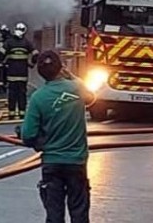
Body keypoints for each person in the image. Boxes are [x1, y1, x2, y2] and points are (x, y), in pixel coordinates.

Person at [19, 50, 94, 223]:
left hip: (52, 163)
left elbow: (28, 135)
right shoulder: (76, 87)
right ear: (62, 68)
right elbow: (91, 98)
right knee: (79, 212)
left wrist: (40, 142)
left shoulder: (38, 98)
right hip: (76, 162)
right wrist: (72, 76)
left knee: (54, 215)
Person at [3, 22, 39, 118]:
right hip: (23, 74)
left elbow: (0, 53)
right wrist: (32, 64)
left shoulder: (9, 42)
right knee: (22, 94)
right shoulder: (27, 43)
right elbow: (36, 54)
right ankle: (22, 113)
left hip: (11, 73)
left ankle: (11, 113)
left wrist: (4, 63)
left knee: (12, 94)